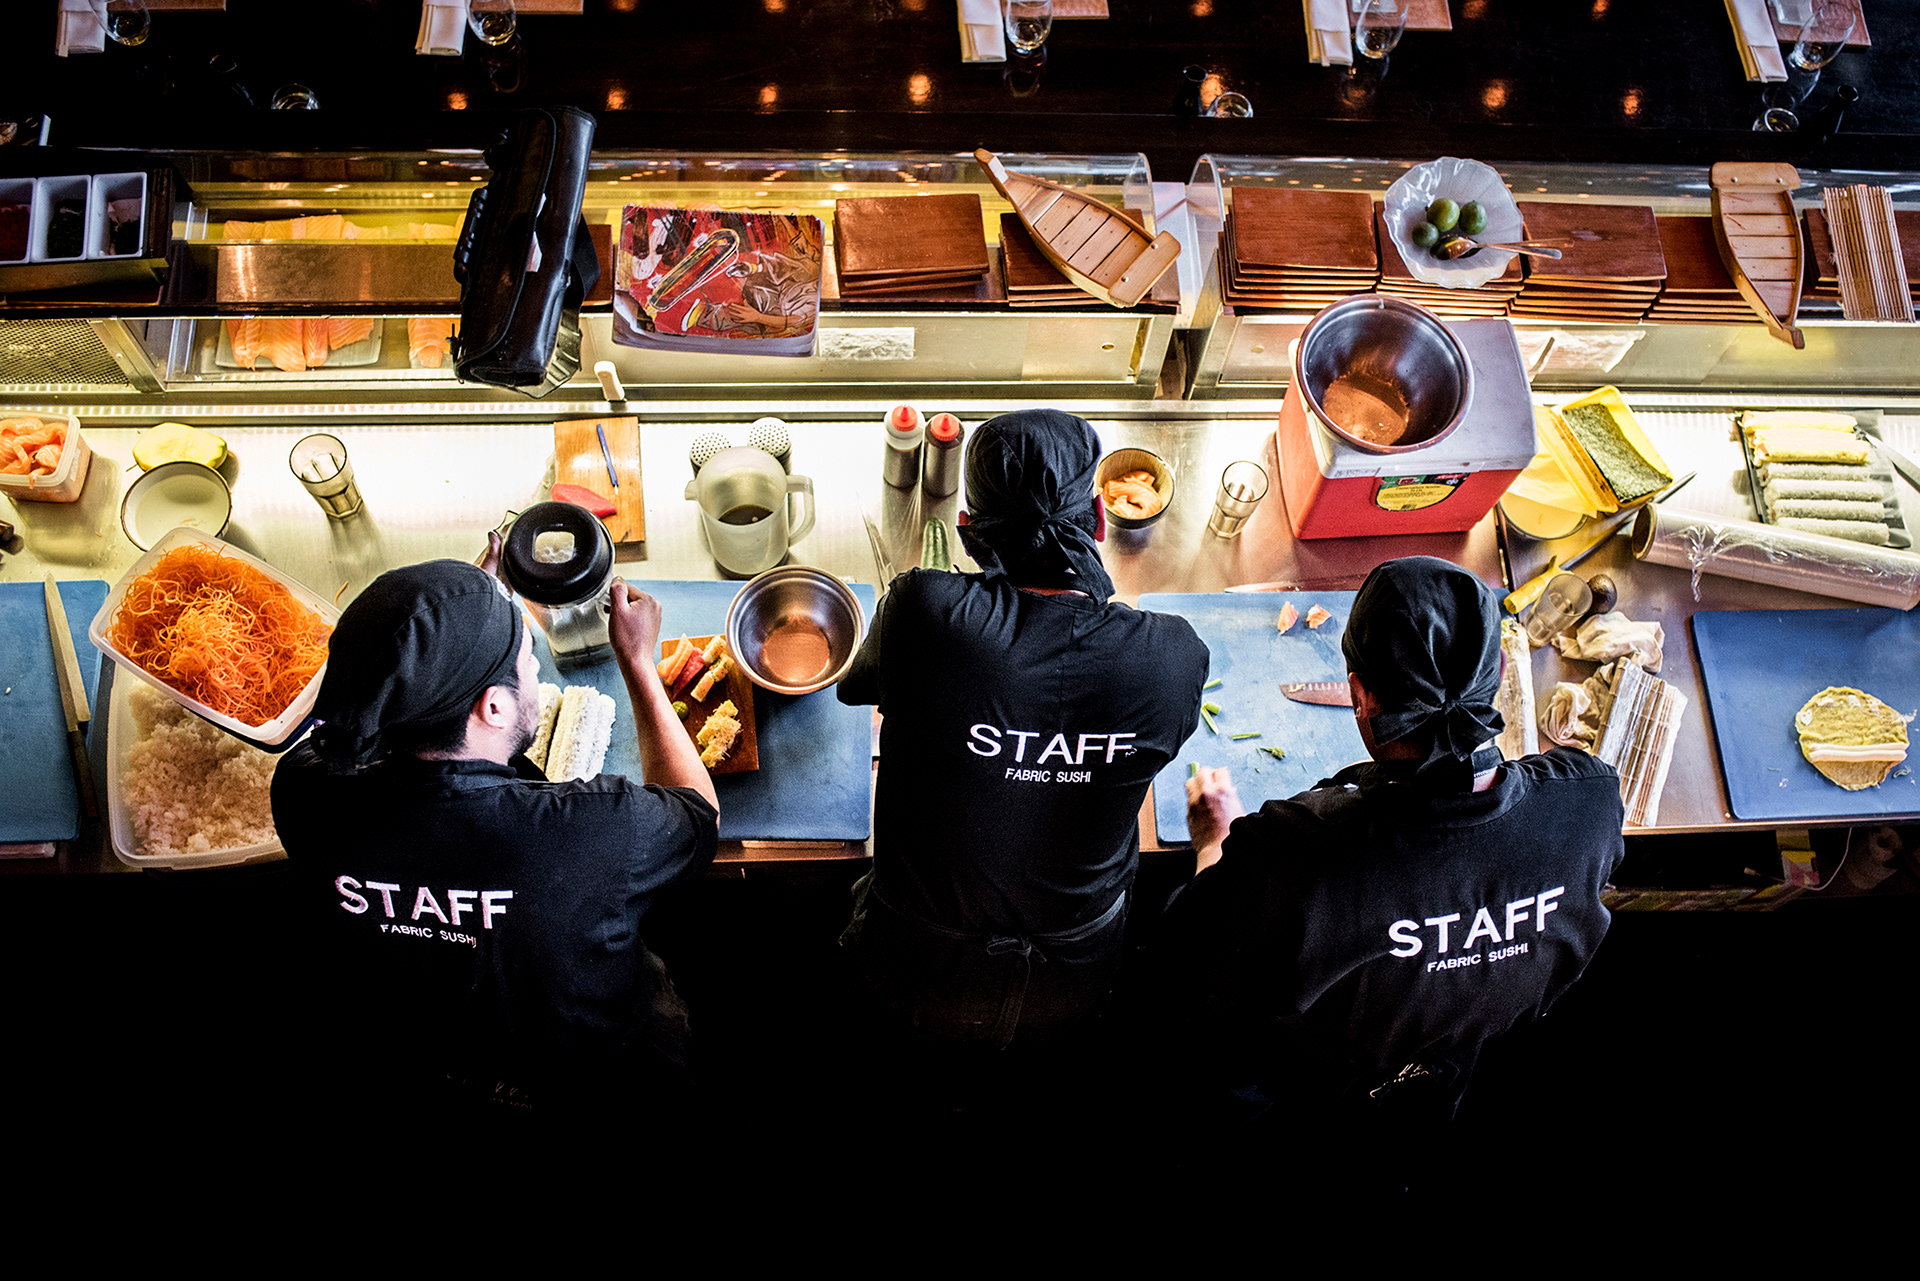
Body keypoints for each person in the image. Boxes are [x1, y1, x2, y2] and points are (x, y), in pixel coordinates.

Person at [1159, 555, 1626, 1123]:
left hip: (1314, 1075)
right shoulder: (1589, 799)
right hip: (1455, 1050)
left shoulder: (1293, 850)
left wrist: (1215, 842)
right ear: (1501, 670)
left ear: (1360, 695)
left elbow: (1187, 953)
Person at [271, 541, 719, 1121]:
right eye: (528, 659)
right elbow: (698, 813)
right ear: (494, 709)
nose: (533, 669)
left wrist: (461, 616)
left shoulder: (306, 793)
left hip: (415, 1075)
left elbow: (347, 717)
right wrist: (638, 663)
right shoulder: (594, 830)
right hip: (594, 1091)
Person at [836, 409, 1209, 1056]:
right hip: (1076, 975)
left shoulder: (923, 613)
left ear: (968, 532)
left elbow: (854, 688)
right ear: (1099, 521)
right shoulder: (1172, 658)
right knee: (1038, 1082)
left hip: (917, 966)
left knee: (903, 1072)